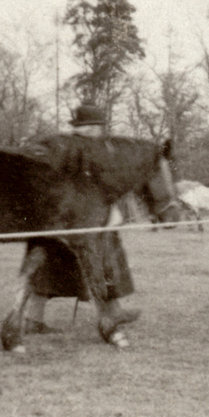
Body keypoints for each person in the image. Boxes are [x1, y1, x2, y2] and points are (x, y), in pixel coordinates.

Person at [21, 103, 140, 334]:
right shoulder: (72, 148)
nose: (100, 131)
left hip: (73, 219)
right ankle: (109, 313)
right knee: (53, 265)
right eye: (97, 126)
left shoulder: (82, 147)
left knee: (59, 264)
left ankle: (111, 310)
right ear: (89, 128)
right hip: (64, 219)